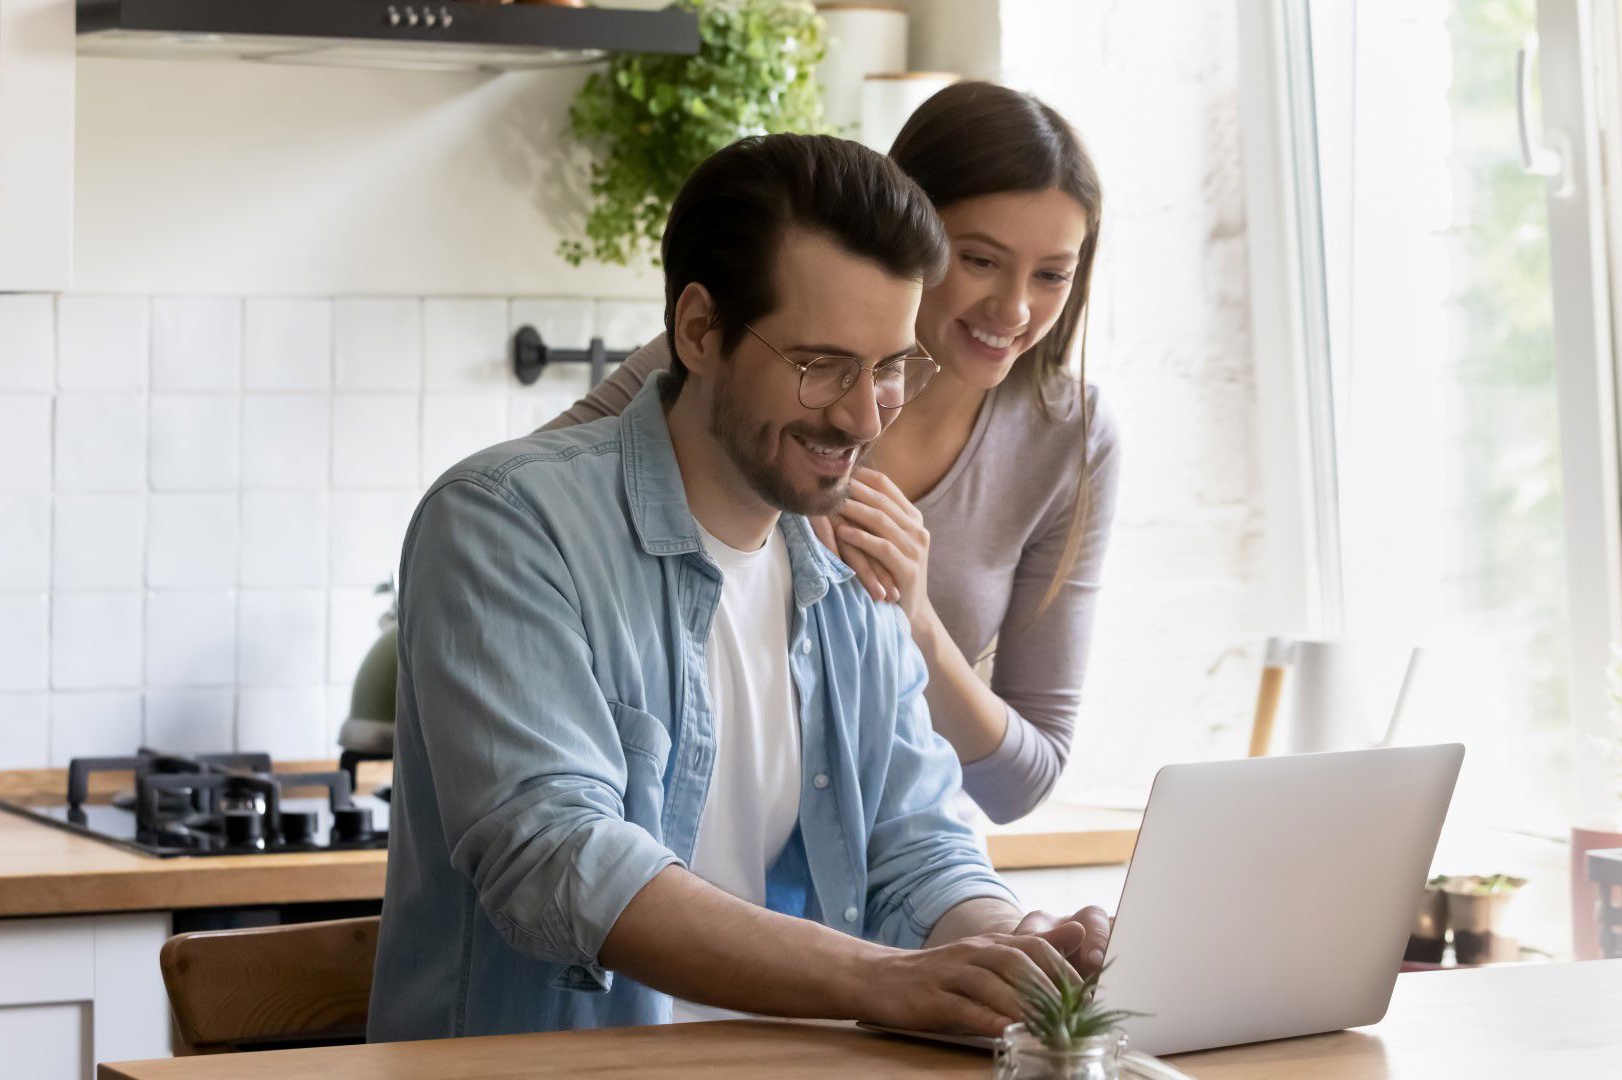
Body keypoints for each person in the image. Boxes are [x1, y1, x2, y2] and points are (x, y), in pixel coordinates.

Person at [369, 133, 1111, 1043]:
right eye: (822, 366)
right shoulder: (503, 522)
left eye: (889, 368)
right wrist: (883, 981)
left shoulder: (851, 564)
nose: (864, 415)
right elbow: (560, 859)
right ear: (698, 330)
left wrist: (1007, 952)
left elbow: (919, 844)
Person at [546, 82, 1121, 823]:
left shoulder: (1069, 440)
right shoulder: (739, 361)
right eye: (979, 261)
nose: (1013, 311)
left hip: (885, 876)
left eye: (1051, 275)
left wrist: (916, 620)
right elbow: (521, 509)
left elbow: (1019, 783)